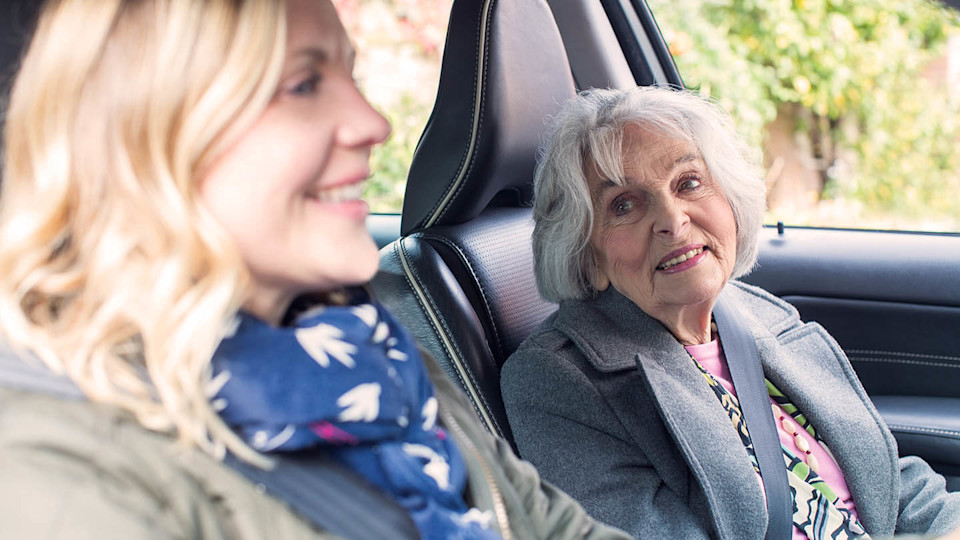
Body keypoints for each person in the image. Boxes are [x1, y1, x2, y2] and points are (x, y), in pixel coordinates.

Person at [0, 1, 632, 539]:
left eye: (350, 78)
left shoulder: (367, 350)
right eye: (304, 86)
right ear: (141, 137)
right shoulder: (54, 466)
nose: (372, 124)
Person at [500, 86, 960, 540]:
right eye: (624, 204)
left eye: (689, 182)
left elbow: (890, 483)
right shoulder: (557, 382)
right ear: (587, 253)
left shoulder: (756, 313)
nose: (673, 219)